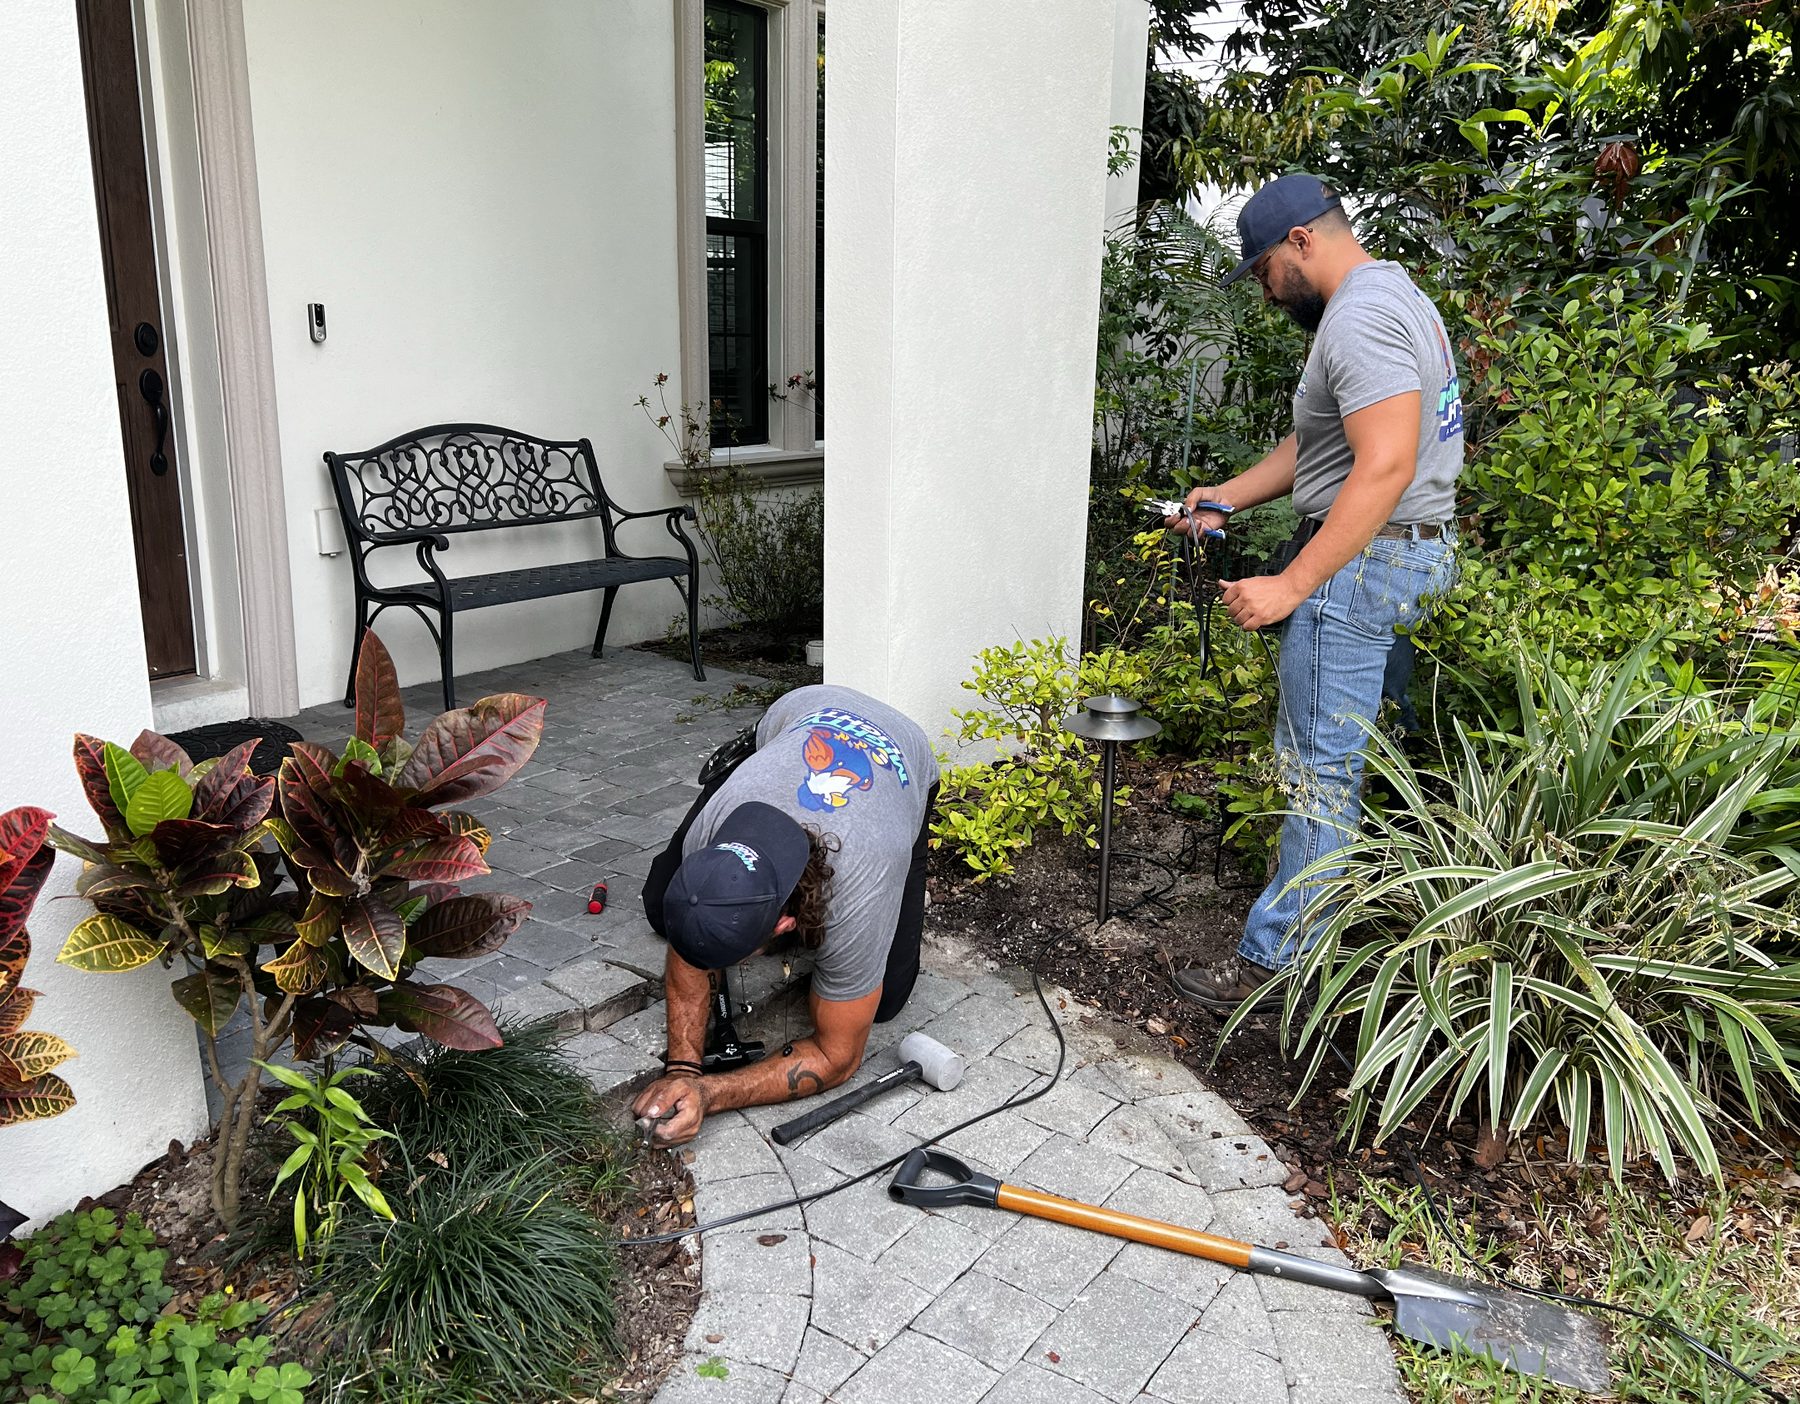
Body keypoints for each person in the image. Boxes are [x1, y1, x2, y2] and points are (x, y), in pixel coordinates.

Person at [1170, 172, 1463, 1012]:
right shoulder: (1394, 295)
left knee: (1317, 775)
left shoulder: (1359, 319)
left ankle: (1277, 970)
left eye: (1263, 270)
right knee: (1378, 763)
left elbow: (1385, 464)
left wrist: (1291, 585)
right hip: (1410, 560)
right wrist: (1225, 493)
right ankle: (1362, 937)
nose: (1265, 293)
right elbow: (1323, 443)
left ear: (1301, 240)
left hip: (1360, 571)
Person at [630, 684, 940, 1146]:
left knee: (888, 998)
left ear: (783, 924)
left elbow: (838, 1057)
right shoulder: (713, 836)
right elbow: (692, 945)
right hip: (800, 712)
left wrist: (708, 1093)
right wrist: (681, 1069)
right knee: (663, 907)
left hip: (904, 759)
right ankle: (745, 752)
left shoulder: (861, 887)